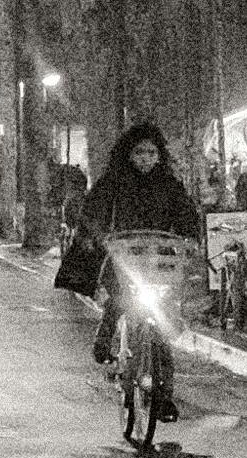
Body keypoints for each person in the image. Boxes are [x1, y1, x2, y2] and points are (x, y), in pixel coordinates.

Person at [69, 119, 209, 366]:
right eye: (139, 152)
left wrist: (193, 238)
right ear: (129, 154)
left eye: (151, 152)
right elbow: (93, 210)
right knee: (119, 299)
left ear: (159, 155)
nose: (145, 158)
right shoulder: (114, 181)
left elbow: (186, 213)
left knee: (167, 304)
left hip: (160, 257)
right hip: (124, 254)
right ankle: (104, 337)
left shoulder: (169, 184)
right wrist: (93, 235)